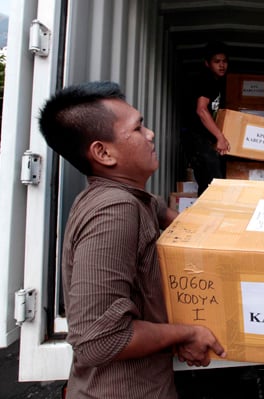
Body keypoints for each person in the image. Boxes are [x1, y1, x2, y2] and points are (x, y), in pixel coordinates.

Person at [38, 81, 226, 399]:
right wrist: (188, 332)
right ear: (103, 152)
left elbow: (155, 206)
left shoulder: (128, 198)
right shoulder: (114, 211)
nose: (150, 134)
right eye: (138, 128)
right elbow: (100, 340)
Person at [184, 40, 230, 196]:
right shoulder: (206, 79)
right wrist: (220, 137)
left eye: (224, 61)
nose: (221, 65)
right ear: (207, 63)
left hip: (204, 141)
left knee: (207, 184)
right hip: (198, 140)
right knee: (214, 183)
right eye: (217, 62)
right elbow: (201, 110)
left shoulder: (218, 82)